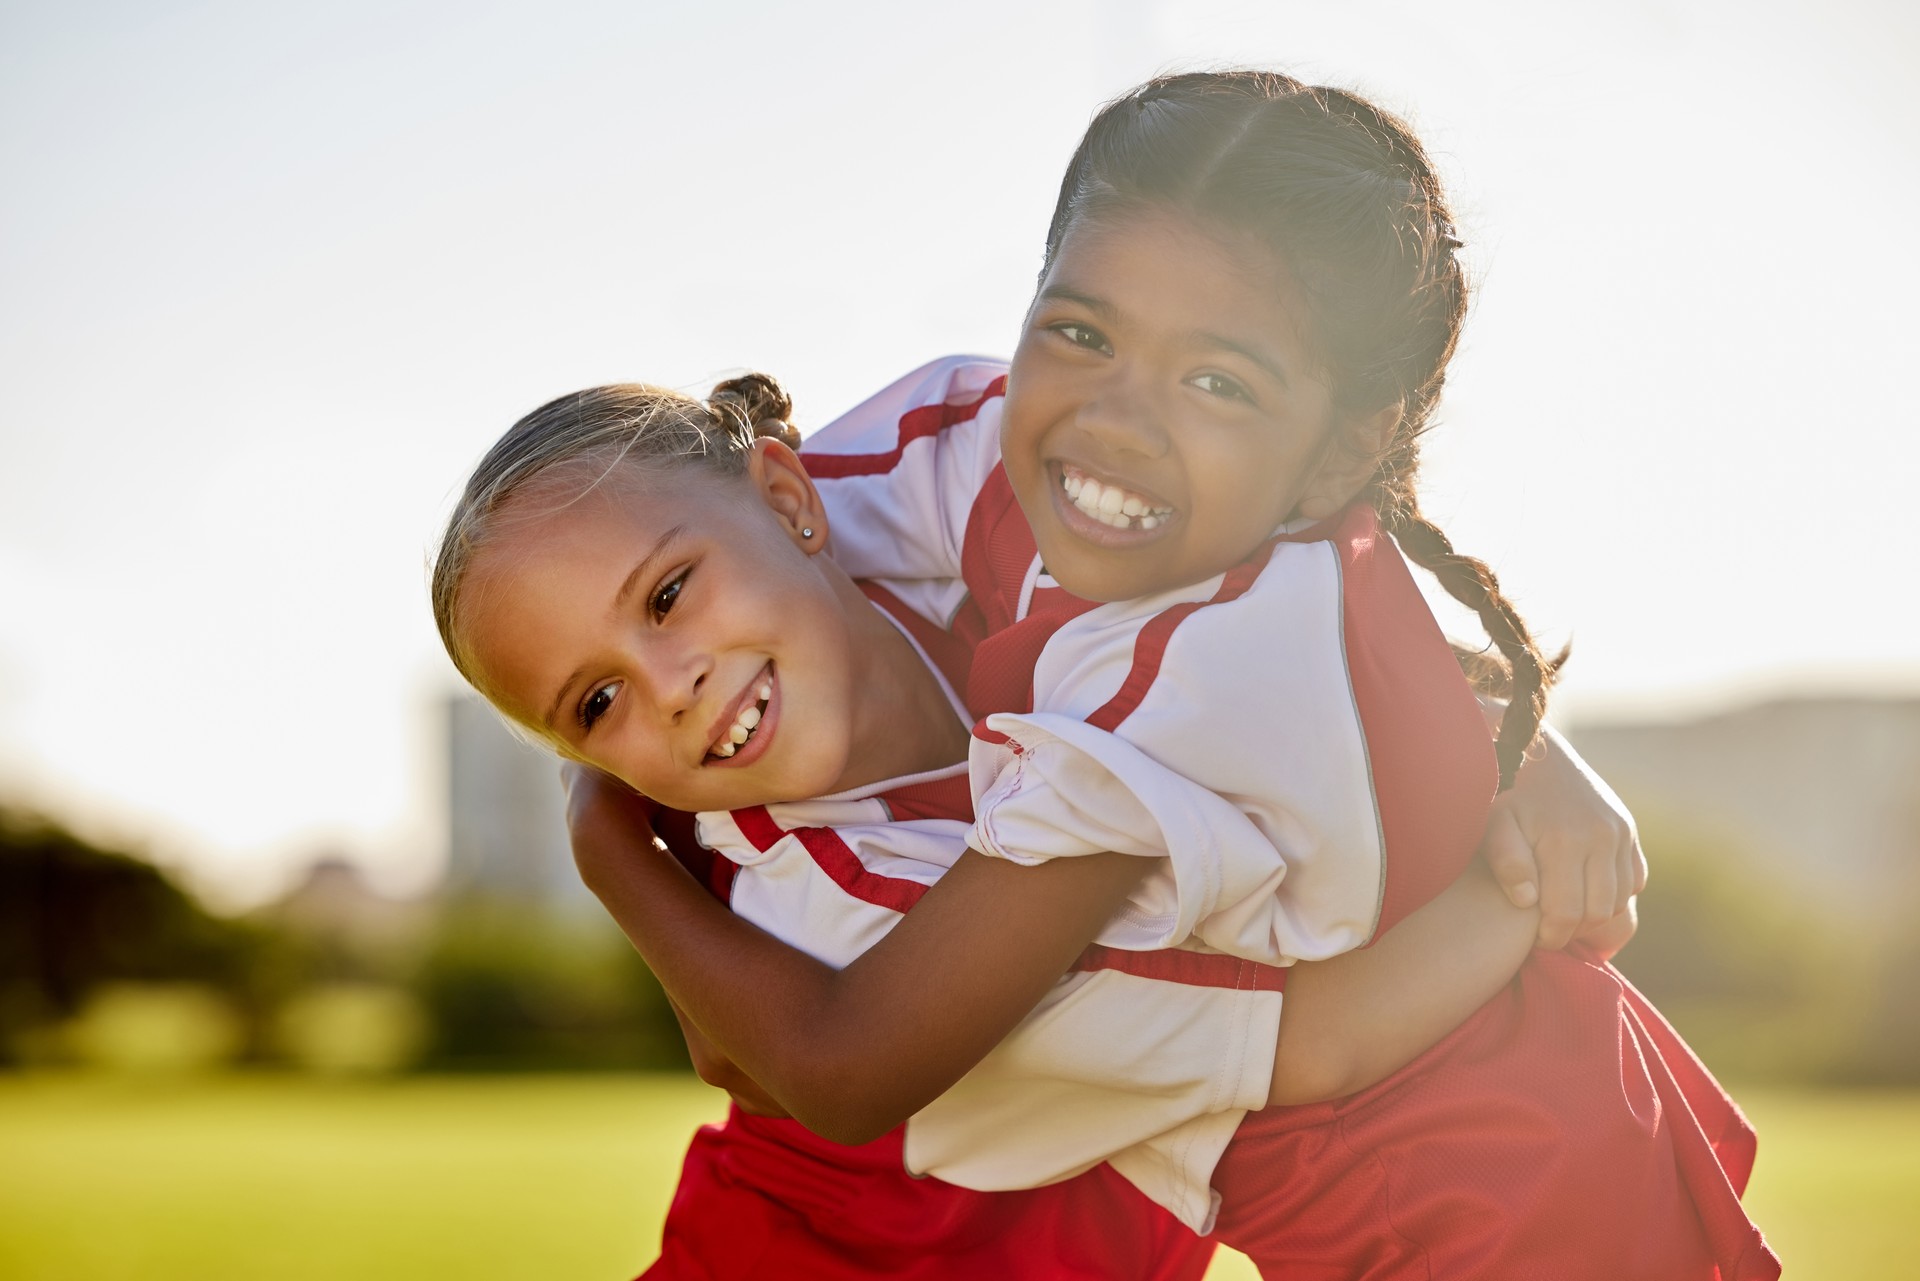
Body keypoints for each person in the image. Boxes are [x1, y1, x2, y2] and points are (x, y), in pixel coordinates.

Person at [537, 73, 1777, 1278]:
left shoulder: (1159, 710)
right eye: (1080, 331)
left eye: (1216, 381)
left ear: (1345, 442)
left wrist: (609, 841)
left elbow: (825, 1063)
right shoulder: (1010, 462)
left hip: (1488, 1196)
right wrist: (1510, 744)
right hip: (1489, 1118)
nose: (1116, 419)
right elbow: (754, 507)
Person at [433, 373, 1565, 1278]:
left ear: (788, 498)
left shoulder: (949, 467)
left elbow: (1252, 565)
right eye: (597, 703)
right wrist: (1534, 881)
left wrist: (1520, 747)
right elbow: (1311, 1039)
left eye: (669, 594)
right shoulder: (830, 916)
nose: (669, 684)